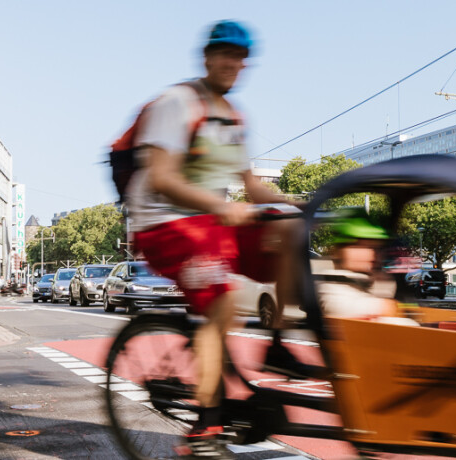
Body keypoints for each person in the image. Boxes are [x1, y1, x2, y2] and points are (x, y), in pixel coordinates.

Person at [126, 20, 298, 459]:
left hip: (211, 225)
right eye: (224, 54)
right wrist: (221, 206)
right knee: (221, 302)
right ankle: (204, 430)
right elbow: (162, 179)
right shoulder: (177, 103)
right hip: (163, 223)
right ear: (207, 57)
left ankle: (277, 345)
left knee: (289, 229)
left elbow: (252, 187)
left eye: (240, 57)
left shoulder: (233, 116)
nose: (232, 63)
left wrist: (296, 204)